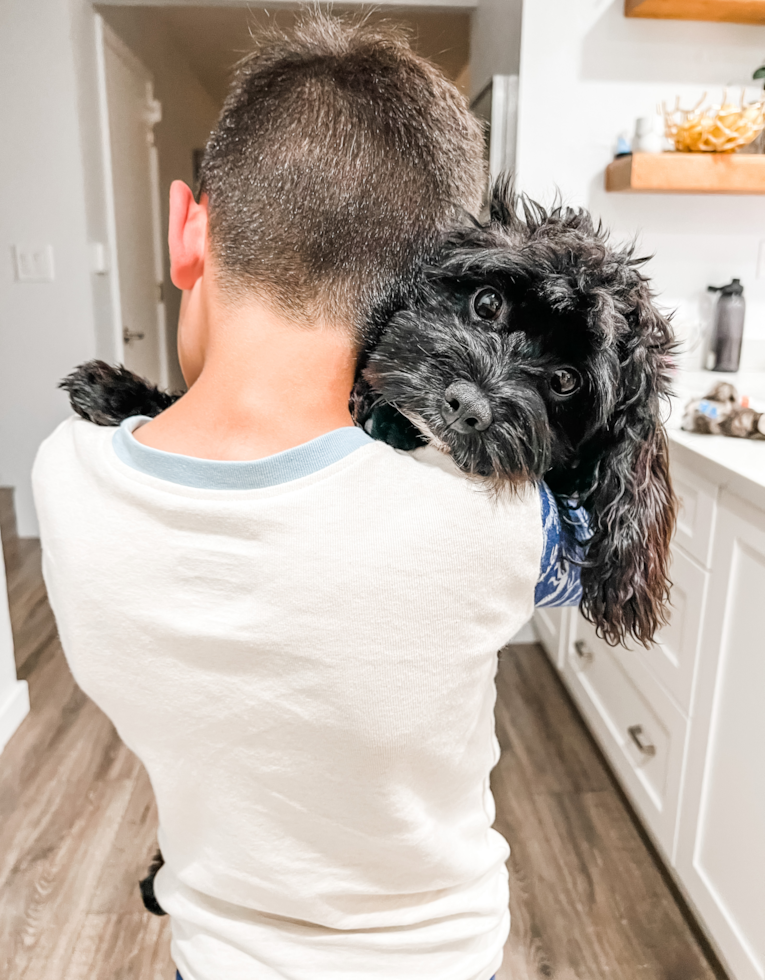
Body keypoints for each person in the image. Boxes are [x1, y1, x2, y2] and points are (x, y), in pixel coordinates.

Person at [33, 13, 583, 980]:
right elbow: (584, 554)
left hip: (216, 953)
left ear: (187, 230)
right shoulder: (494, 520)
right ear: (437, 287)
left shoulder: (63, 477)